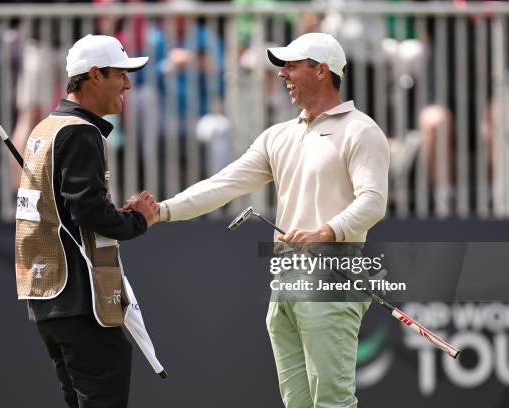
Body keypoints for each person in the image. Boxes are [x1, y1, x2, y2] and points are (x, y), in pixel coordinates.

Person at [151, 33, 390, 407]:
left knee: (332, 402)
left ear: (322, 70)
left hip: (334, 275)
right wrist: (162, 211)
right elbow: (222, 185)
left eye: (291, 66)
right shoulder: (278, 136)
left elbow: (373, 202)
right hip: (285, 280)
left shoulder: (361, 130)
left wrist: (327, 231)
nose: (282, 74)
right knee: (296, 403)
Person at [14, 34, 160, 408]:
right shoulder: (81, 131)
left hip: (47, 299)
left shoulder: (46, 127)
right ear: (95, 75)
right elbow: (88, 211)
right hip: (81, 301)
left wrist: (121, 215)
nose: (128, 84)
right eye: (121, 74)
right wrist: (137, 220)